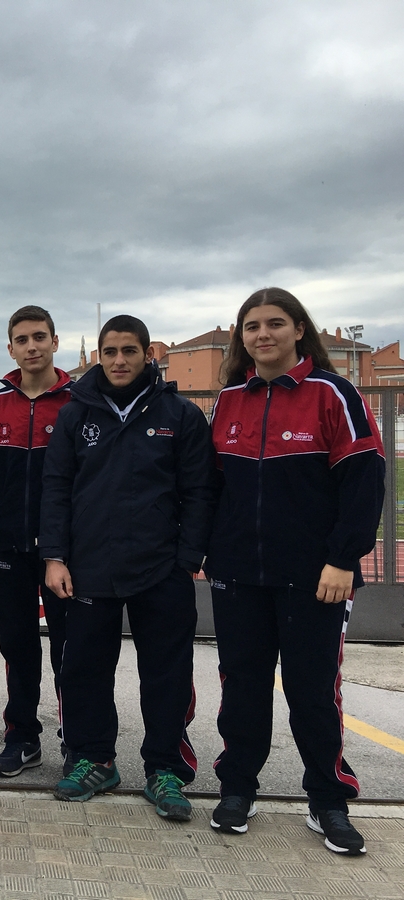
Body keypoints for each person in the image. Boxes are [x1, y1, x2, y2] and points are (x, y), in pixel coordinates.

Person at [206, 288, 385, 855]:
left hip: (316, 577)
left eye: (275, 323)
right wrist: (211, 553)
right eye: (252, 326)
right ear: (242, 337)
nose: (263, 334)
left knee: (313, 691)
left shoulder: (335, 394)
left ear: (299, 330)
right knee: (242, 687)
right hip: (238, 574)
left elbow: (364, 482)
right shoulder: (229, 400)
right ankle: (238, 787)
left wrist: (341, 559)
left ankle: (328, 800)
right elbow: (212, 489)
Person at [40, 315, 214, 821]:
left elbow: (200, 492)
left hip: (161, 571)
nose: (119, 361)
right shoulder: (76, 416)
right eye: (110, 351)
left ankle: (164, 769)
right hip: (89, 568)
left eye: (129, 351)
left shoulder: (178, 415)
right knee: (84, 670)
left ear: (147, 356)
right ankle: (94, 759)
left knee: (166, 674)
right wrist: (55, 556)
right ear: (98, 355)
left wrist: (187, 560)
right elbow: (56, 489)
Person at [0, 305, 73, 778]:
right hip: (6, 549)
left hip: (65, 552)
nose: (31, 346)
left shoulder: (79, 402)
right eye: (22, 339)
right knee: (18, 646)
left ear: (54, 341)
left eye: (39, 337)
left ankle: (80, 739)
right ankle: (22, 737)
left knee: (71, 648)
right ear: (10, 348)